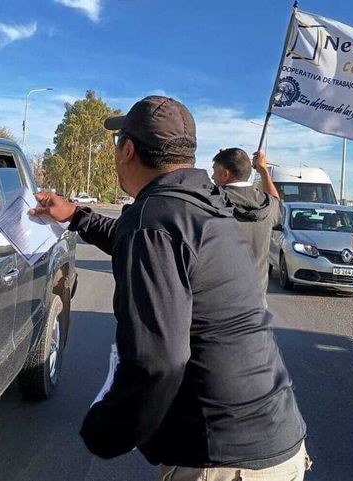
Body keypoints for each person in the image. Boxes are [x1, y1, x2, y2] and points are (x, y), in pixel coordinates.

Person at [31, 96, 309, 481]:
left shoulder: (155, 219)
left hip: (223, 462)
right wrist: (77, 215)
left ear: (127, 150)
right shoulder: (204, 204)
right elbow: (149, 242)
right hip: (279, 443)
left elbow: (157, 361)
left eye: (116, 146)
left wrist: (107, 430)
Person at [211, 148, 282, 301]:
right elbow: (276, 202)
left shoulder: (211, 202)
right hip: (256, 298)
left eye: (215, 171)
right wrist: (264, 171)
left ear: (226, 174)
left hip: (219, 298)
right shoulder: (268, 205)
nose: (212, 177)